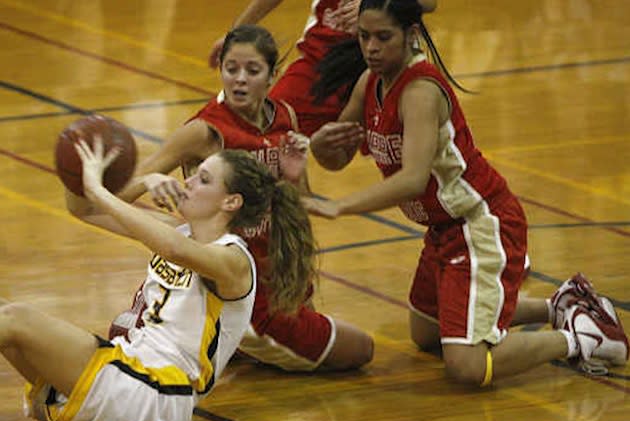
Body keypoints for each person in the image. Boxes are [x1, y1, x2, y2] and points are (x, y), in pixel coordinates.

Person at [305, 0, 628, 385]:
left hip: (479, 224)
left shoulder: (420, 90)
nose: (371, 47)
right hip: (442, 231)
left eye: (383, 37)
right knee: (426, 333)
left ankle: (583, 338)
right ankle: (560, 303)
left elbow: (412, 180)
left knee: (467, 366)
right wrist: (323, 147)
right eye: (363, 36)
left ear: (411, 35)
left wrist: (339, 207)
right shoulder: (369, 83)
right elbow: (337, 157)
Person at [0, 138, 316, 421]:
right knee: (4, 312)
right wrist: (142, 181)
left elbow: (173, 249)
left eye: (203, 179)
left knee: (15, 319)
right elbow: (81, 207)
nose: (189, 181)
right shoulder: (177, 231)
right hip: (129, 369)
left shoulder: (234, 259)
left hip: (157, 392)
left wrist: (99, 189)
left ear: (231, 202)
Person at [117, 24, 373, 372]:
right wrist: (150, 179)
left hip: (274, 273)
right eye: (231, 68)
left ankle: (229, 339)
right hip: (234, 282)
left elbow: (297, 208)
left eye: (252, 71)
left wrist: (295, 178)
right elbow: (122, 190)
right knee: (361, 350)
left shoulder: (286, 117)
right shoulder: (204, 130)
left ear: (272, 75)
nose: (239, 79)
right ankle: (217, 329)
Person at [207, 0, 437, 136]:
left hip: (389, 62)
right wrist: (235, 33)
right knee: (264, 134)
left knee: (420, 161)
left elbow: (429, 2)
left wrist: (374, 4)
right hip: (322, 62)